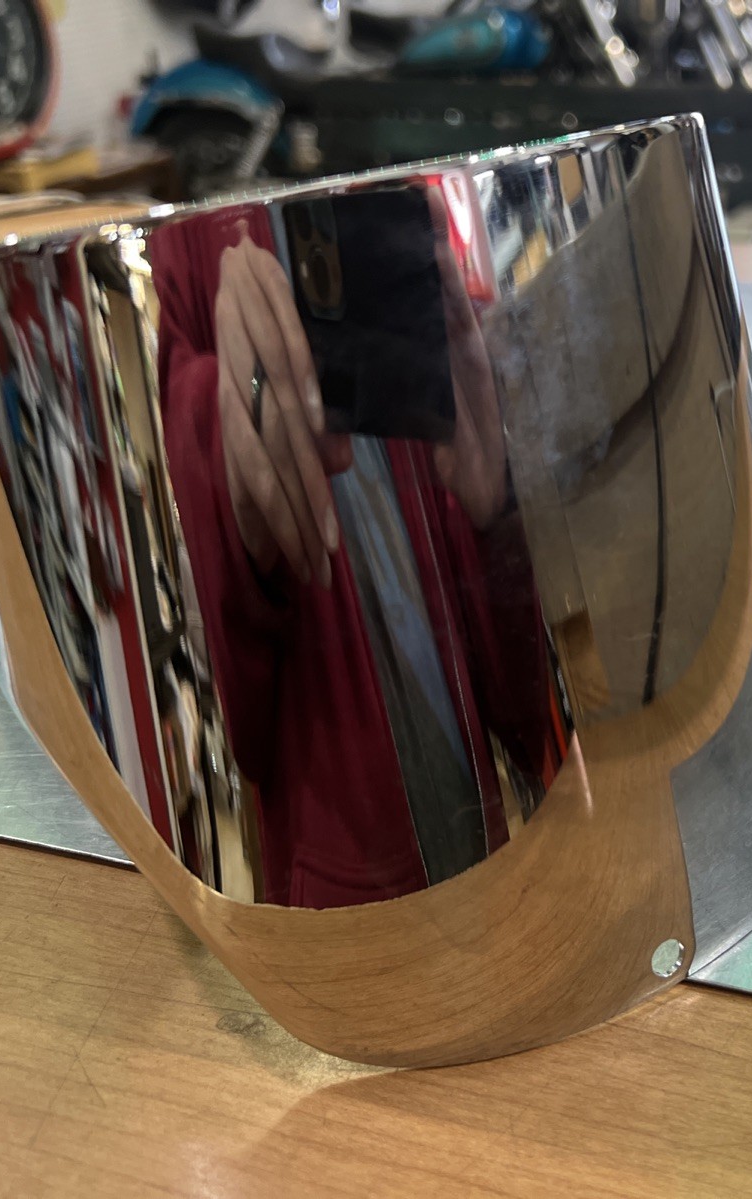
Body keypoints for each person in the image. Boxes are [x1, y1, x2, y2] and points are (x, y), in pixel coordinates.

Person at [150, 185, 566, 908]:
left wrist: (497, 504)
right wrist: (224, 424)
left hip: (497, 835)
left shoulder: (409, 208)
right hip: (336, 874)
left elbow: (522, 700)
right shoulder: (191, 245)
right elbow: (236, 725)